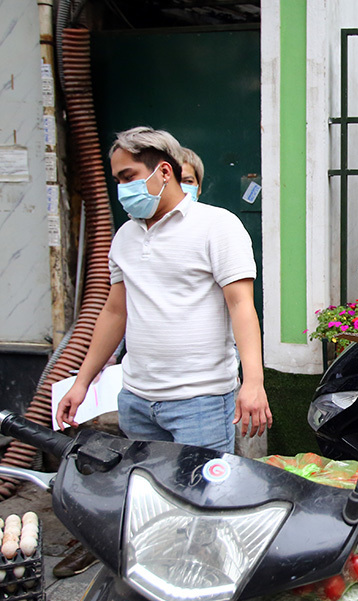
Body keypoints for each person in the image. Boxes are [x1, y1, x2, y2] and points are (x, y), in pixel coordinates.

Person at [52, 126, 271, 577]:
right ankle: (161, 582)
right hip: (137, 401)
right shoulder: (126, 237)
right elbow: (115, 312)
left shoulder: (217, 226)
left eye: (128, 175)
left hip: (200, 402)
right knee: (152, 503)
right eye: (116, 179)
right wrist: (82, 380)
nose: (122, 189)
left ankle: (205, 593)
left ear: (163, 171)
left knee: (202, 510)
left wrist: (253, 383)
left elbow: (241, 308)